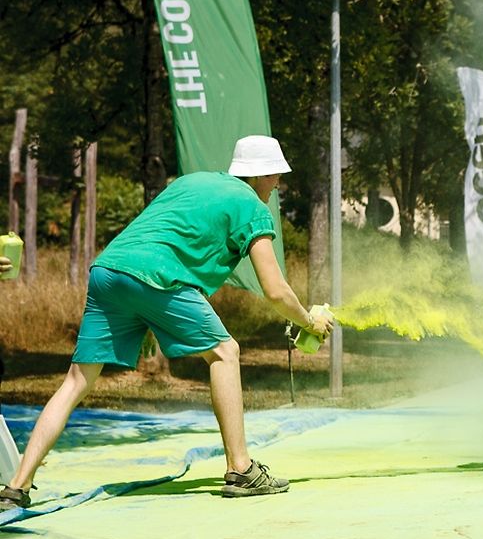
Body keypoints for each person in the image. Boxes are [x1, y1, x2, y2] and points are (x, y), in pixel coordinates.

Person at [0, 136, 334, 513]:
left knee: (77, 380)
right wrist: (309, 321)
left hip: (108, 271)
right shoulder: (252, 207)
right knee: (226, 352)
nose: (278, 186)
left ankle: (16, 485)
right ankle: (241, 470)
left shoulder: (194, 181)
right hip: (158, 277)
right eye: (277, 178)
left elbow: (162, 232)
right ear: (265, 174)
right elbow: (274, 290)